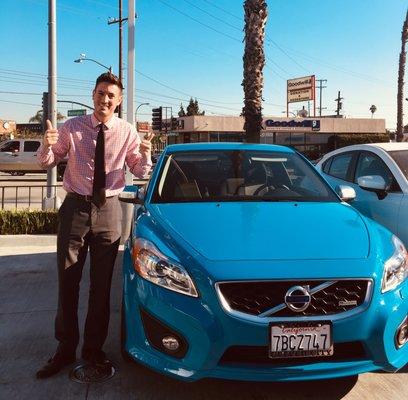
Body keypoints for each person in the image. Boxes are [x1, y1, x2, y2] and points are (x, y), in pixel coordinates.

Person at [35, 72, 153, 379]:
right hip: (75, 207)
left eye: (111, 95)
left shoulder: (126, 131)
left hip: (109, 210)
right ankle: (64, 349)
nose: (105, 99)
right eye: (101, 93)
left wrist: (146, 154)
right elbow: (48, 161)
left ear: (118, 101)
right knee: (68, 282)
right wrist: (46, 145)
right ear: (93, 95)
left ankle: (93, 351)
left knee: (101, 288)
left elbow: (138, 170)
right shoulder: (71, 127)